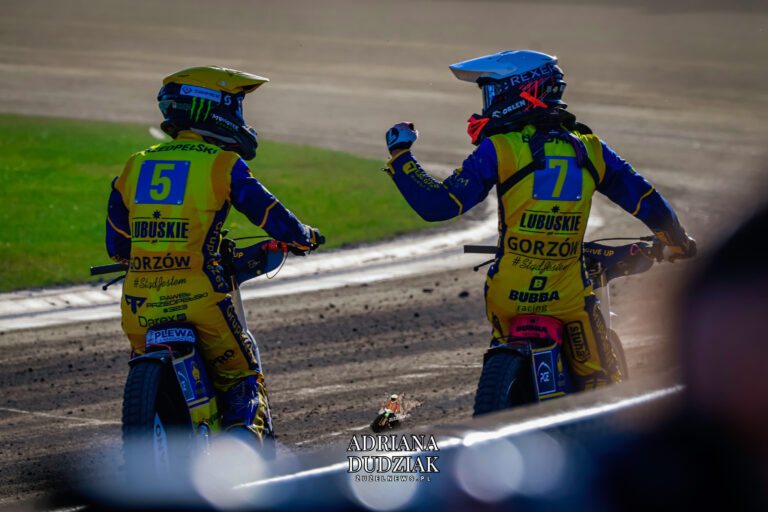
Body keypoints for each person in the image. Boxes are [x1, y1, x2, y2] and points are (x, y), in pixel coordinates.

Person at [382, 51, 696, 391]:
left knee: (497, 384)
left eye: (492, 93)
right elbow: (651, 205)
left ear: (522, 92)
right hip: (568, 298)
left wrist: (401, 156)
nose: (488, 104)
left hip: (507, 296)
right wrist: (678, 243)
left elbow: (438, 205)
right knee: (604, 386)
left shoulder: (499, 148)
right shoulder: (591, 149)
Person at [105, 66, 324, 444]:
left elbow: (118, 246)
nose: (240, 116)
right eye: (235, 105)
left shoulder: (135, 163)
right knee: (243, 378)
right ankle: (243, 451)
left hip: (139, 305)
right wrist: (303, 237)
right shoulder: (222, 163)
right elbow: (270, 215)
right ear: (212, 108)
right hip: (200, 299)